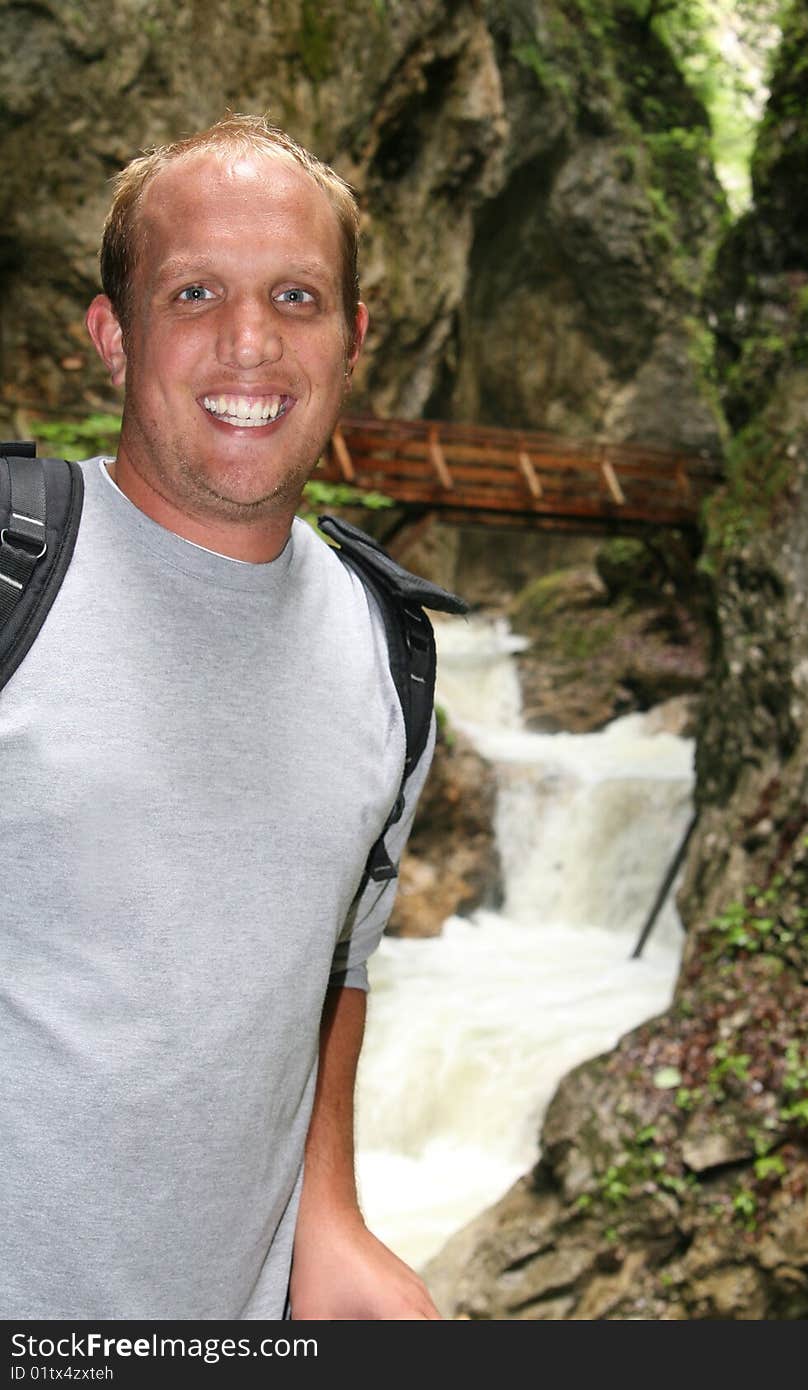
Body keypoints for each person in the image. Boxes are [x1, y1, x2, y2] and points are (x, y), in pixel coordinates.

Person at [1, 114, 442, 1321]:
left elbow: (337, 956)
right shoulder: (13, 579)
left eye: (296, 296)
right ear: (114, 332)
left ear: (352, 339)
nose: (250, 343)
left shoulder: (390, 655)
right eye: (194, 291)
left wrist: (332, 1212)